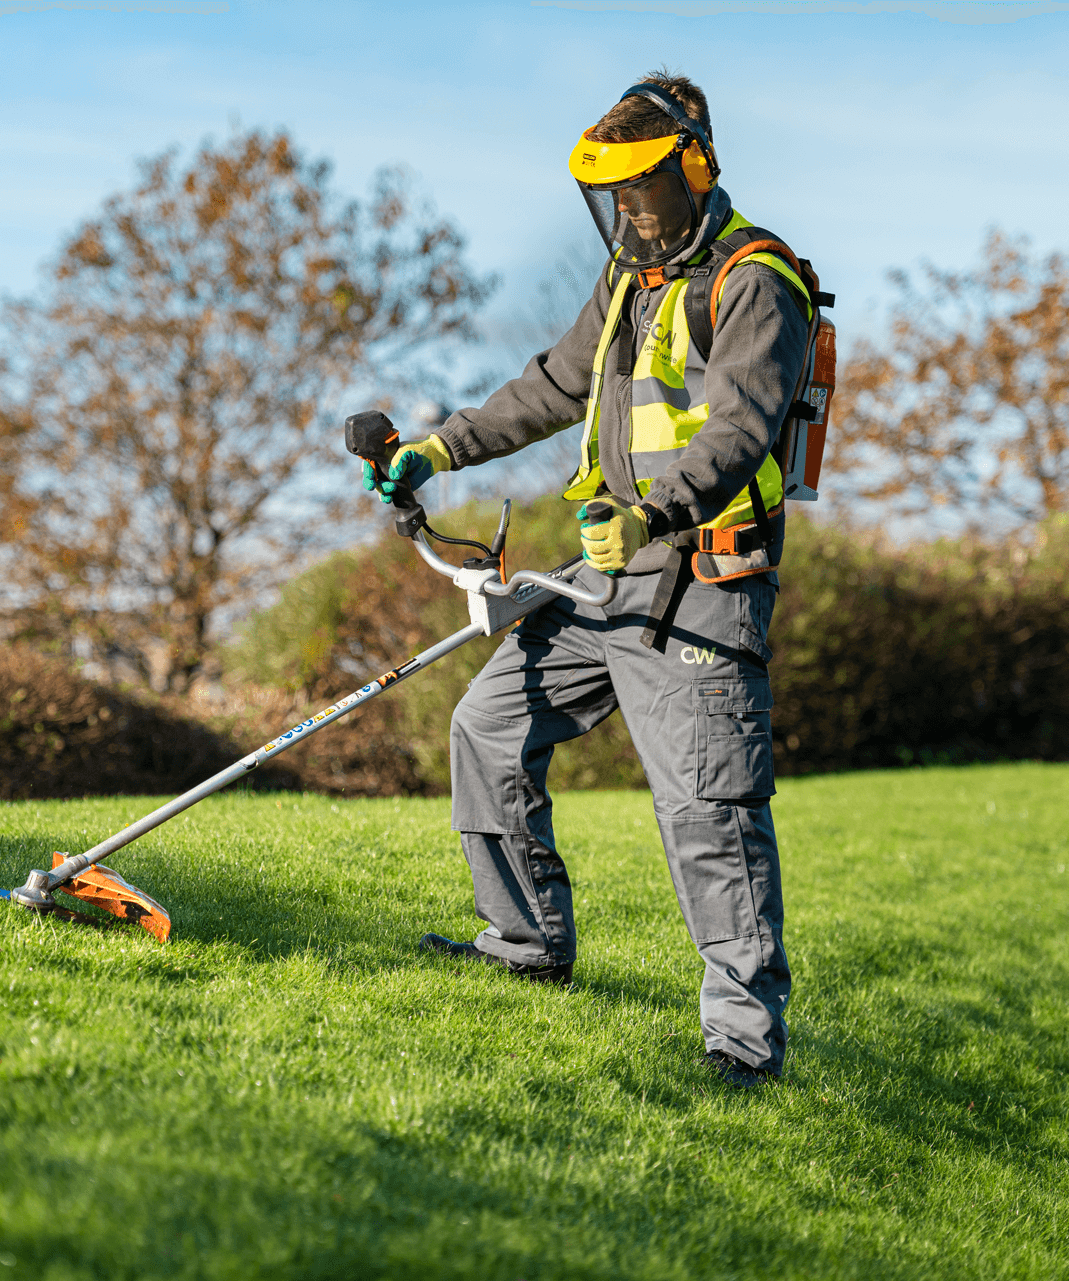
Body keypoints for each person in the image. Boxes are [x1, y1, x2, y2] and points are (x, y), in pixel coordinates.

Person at [362, 71, 815, 1089]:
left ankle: (744, 1046)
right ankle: (524, 944)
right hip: (602, 581)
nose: (631, 214)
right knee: (486, 727)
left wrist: (653, 511)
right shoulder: (624, 281)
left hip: (701, 580)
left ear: (695, 170)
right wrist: (436, 448)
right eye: (614, 197)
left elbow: (743, 429)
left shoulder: (755, 280)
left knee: (709, 812)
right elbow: (555, 386)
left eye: (646, 190)